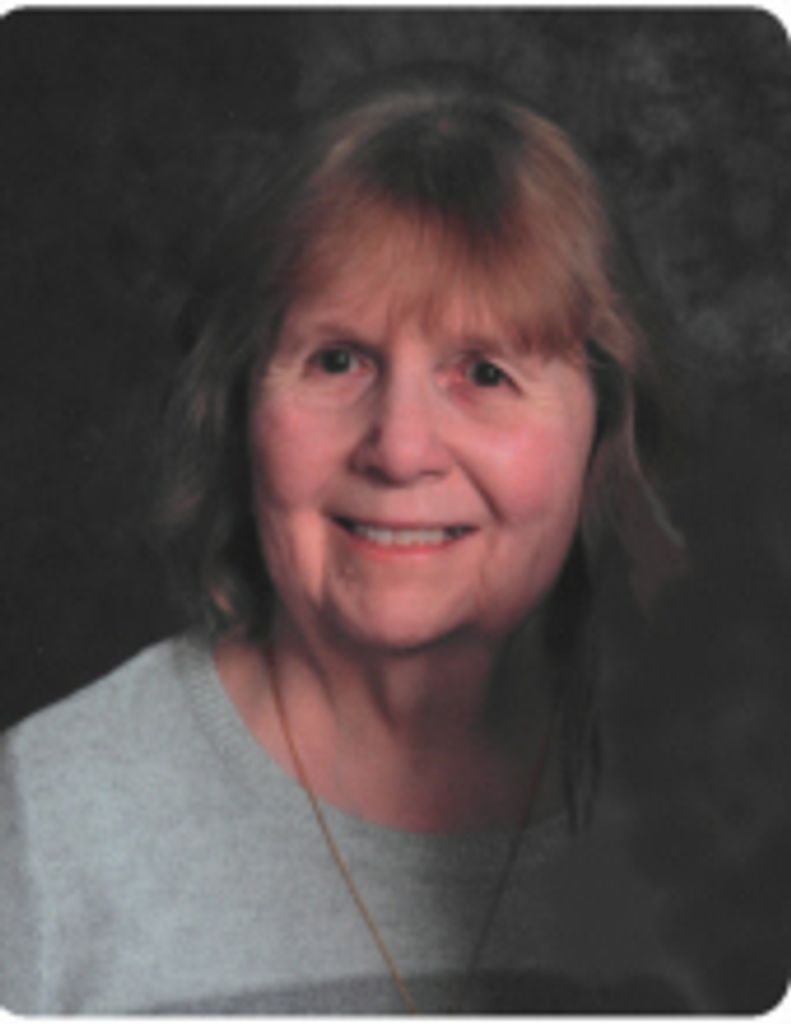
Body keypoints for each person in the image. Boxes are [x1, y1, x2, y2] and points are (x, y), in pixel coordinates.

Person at [0, 62, 687, 1013]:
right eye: (336, 360)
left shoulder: (732, 813)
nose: (400, 450)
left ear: (605, 432)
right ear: (236, 409)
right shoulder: (47, 827)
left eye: (484, 373)